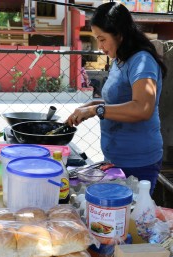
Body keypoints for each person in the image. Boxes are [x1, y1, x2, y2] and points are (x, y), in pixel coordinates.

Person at [66, 2, 167, 195]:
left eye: (103, 39)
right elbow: (118, 102)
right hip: (116, 159)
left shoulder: (142, 61)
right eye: (97, 39)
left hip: (138, 162)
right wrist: (91, 106)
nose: (100, 46)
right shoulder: (120, 59)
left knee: (130, 217)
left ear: (119, 34)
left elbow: (142, 108)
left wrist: (96, 110)